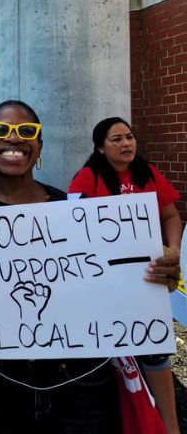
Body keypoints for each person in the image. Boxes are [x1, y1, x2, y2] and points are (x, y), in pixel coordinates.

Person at [0, 100, 181, 433]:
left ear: (39, 146)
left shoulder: (77, 214)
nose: (14, 138)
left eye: (27, 131)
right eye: (1, 130)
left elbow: (114, 289)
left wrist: (153, 280)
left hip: (82, 383)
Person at [69, 116, 182, 433]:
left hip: (147, 282)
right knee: (113, 360)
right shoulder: (86, 179)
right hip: (106, 287)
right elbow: (74, 229)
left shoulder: (148, 174)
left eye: (129, 137)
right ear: (100, 148)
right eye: (116, 139)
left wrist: (173, 250)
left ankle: (170, 426)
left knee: (156, 355)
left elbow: (171, 215)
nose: (125, 144)